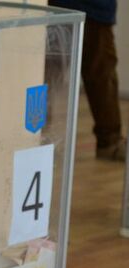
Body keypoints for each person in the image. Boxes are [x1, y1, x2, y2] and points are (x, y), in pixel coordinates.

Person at [50, 0, 125, 161]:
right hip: (60, 7)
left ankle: (110, 142)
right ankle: (37, 141)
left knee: (103, 74)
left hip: (96, 9)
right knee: (47, 74)